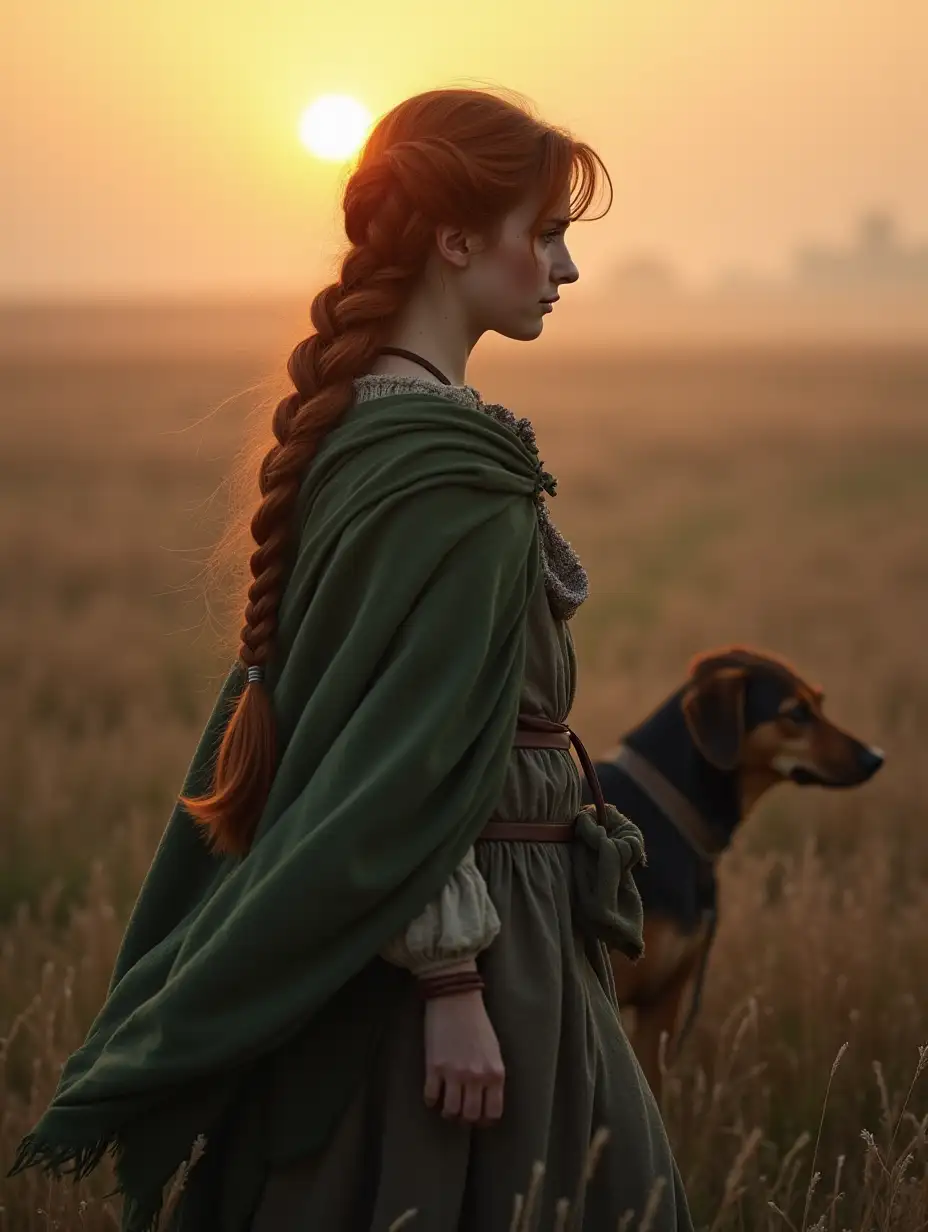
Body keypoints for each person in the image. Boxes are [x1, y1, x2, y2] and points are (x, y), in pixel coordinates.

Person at [8, 87, 693, 1232]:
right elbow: (395, 761)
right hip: (477, 930)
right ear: (457, 238)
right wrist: (454, 983)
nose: (567, 268)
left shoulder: (376, 430)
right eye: (549, 232)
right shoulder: (446, 466)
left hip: (445, 913)